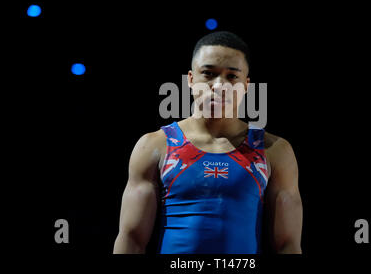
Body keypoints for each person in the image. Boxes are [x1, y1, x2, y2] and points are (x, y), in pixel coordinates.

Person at [113, 31, 303, 254]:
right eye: (209, 73)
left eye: (232, 76)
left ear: (246, 85)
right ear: (191, 80)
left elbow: (287, 245)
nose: (219, 85)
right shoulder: (155, 145)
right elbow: (131, 239)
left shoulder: (274, 150)